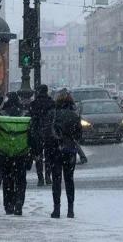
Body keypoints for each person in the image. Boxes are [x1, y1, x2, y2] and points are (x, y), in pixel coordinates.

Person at [45, 91, 82, 219]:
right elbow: (79, 136)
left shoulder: (52, 114)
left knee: (56, 180)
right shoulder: (74, 115)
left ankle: (56, 209)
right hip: (70, 151)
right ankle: (70, 210)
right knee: (69, 179)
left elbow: (47, 134)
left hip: (56, 150)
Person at [0, 93, 32, 215]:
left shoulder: (1, 115)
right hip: (21, 153)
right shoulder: (25, 115)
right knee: (21, 180)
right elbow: (31, 135)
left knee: (7, 179)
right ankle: (19, 202)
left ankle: (8, 205)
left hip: (5, 153)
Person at [29, 85, 55, 186]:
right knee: (49, 155)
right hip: (48, 132)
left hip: (37, 132)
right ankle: (48, 176)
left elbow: (31, 118)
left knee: (38, 156)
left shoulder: (34, 104)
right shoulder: (51, 103)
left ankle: (40, 177)